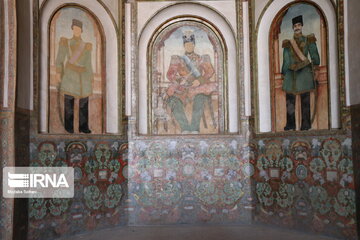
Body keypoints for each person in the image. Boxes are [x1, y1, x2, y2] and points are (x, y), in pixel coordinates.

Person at [166, 31, 217, 134]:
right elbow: (170, 75)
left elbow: (210, 71)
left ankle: (194, 129)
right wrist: (180, 80)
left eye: (191, 44)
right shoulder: (177, 59)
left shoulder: (202, 58)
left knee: (200, 98)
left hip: (198, 87)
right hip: (182, 87)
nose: (189, 46)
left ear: (194, 45)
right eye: (187, 45)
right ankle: (185, 128)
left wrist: (199, 80)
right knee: (172, 100)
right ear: (184, 46)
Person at [281, 15, 320, 131]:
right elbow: (286, 60)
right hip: (290, 75)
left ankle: (306, 125)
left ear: (302, 26)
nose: (297, 27)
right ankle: (291, 125)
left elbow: (314, 56)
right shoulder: (288, 43)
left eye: (298, 25)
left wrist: (315, 67)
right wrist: (284, 73)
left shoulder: (309, 39)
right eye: (295, 26)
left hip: (304, 73)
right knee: (290, 101)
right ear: (293, 28)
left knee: (305, 100)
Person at [56, 19, 93, 134]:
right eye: (75, 28)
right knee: (69, 103)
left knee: (84, 104)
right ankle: (69, 128)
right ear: (72, 29)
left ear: (81, 31)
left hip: (83, 77)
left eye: (79, 29)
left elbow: (88, 62)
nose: (77, 30)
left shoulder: (86, 46)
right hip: (70, 76)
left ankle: (83, 127)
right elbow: (60, 58)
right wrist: (58, 73)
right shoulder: (65, 42)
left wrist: (90, 77)